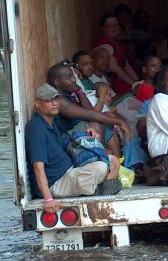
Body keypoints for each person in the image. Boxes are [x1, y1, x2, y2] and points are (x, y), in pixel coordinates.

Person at [25, 83, 120, 212]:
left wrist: (87, 136)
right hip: (58, 183)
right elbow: (38, 167)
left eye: (55, 99)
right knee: (101, 167)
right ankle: (96, 190)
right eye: (48, 101)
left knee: (113, 161)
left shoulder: (51, 124)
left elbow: (68, 142)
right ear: (38, 105)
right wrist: (48, 200)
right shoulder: (37, 128)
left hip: (70, 172)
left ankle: (94, 188)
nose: (54, 103)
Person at [47, 62, 130, 157]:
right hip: (66, 139)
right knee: (96, 123)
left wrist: (78, 91)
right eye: (69, 77)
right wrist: (120, 122)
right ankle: (101, 158)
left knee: (104, 123)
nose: (74, 79)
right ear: (57, 82)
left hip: (76, 135)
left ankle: (115, 162)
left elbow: (90, 110)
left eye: (73, 76)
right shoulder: (58, 100)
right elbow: (91, 115)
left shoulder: (68, 96)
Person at [94, 13, 139, 95]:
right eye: (110, 25)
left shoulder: (118, 43)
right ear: (103, 29)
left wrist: (137, 81)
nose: (114, 27)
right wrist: (133, 85)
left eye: (116, 25)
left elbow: (125, 64)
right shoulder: (104, 44)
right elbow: (114, 68)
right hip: (113, 82)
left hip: (123, 80)